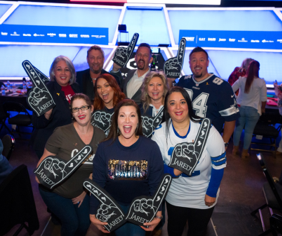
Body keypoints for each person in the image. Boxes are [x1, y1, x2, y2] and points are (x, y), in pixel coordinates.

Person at [151, 87, 226, 236]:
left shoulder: (206, 128)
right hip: (175, 195)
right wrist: (174, 171)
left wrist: (211, 192)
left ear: (188, 105)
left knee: (197, 232)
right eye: (172, 103)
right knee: (174, 231)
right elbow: (155, 168)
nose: (178, 107)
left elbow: (219, 164)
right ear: (167, 108)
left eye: (182, 102)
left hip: (203, 194)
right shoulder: (159, 133)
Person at [90, 99, 164, 236]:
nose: (127, 121)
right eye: (122, 115)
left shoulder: (151, 147)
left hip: (141, 208)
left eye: (132, 115)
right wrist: (93, 212)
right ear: (116, 120)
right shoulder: (104, 147)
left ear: (138, 121)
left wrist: (158, 213)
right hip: (114, 207)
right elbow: (98, 182)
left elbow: (156, 184)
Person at [36, 93, 105, 236]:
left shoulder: (100, 136)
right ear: (72, 113)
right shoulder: (61, 133)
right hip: (55, 191)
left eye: (83, 108)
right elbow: (42, 164)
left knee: (85, 224)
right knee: (72, 224)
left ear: (91, 108)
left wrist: (84, 191)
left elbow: (98, 169)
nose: (80, 112)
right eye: (75, 109)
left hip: (79, 191)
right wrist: (41, 175)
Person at [175, 47, 239, 149]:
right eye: (194, 60)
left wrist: (225, 142)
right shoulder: (183, 81)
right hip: (182, 138)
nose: (197, 64)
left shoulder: (222, 87)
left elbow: (230, 118)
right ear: (189, 63)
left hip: (208, 142)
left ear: (207, 62)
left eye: (201, 60)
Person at [32, 55, 81, 158]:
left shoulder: (76, 88)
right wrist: (47, 114)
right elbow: (37, 123)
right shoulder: (45, 90)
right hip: (49, 146)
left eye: (66, 70)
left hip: (71, 144)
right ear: (54, 72)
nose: (63, 73)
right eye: (59, 69)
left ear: (71, 72)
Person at [232, 60, 267, 158]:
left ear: (248, 68)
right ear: (258, 69)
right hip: (254, 110)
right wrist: (263, 108)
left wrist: (237, 99)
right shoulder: (261, 82)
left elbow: (231, 90)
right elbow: (264, 99)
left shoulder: (241, 79)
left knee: (238, 129)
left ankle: (234, 150)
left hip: (240, 108)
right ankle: (244, 153)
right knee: (248, 131)